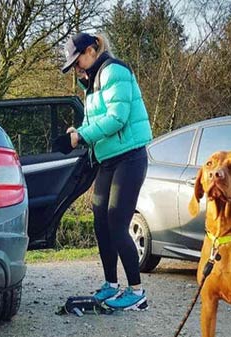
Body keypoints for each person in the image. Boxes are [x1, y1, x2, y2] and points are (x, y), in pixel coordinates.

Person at [60, 32, 153, 311]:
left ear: (91, 50)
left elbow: (116, 118)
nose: (76, 68)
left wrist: (82, 137)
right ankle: (111, 285)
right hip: (108, 159)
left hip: (130, 157)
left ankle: (137, 292)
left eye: (78, 62)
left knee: (116, 221)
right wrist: (78, 131)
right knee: (100, 220)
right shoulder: (93, 82)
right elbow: (95, 120)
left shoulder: (114, 71)